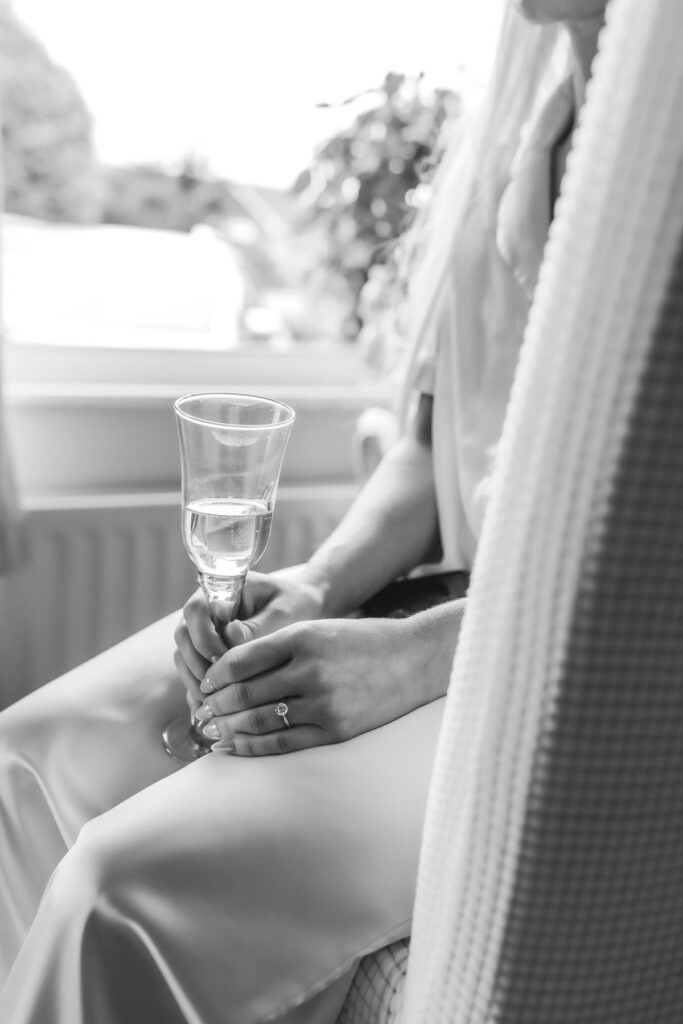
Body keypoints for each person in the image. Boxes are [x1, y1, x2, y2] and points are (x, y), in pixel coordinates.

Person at [0, 2, 611, 1021]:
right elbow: (427, 445)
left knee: (121, 894)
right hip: (442, 601)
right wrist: (316, 587)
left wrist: (419, 657)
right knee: (29, 755)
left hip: (553, 676)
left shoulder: (651, 175)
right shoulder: (520, 126)